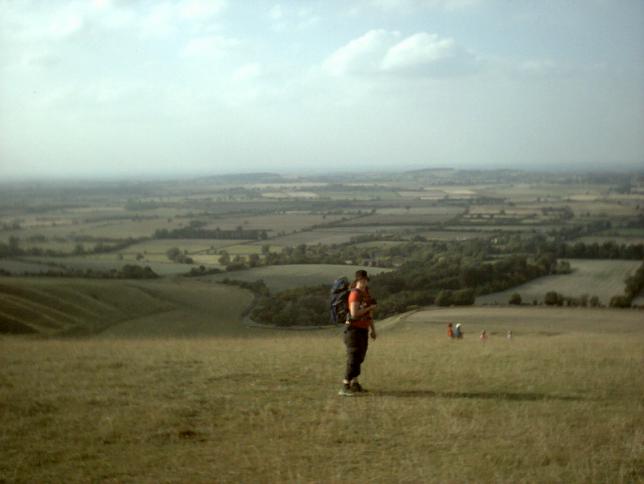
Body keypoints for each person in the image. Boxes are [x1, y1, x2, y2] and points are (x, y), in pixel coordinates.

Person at [339, 270, 377, 396]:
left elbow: (370, 315)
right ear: (356, 281)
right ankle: (345, 385)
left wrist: (373, 329)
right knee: (353, 357)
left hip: (363, 329)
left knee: (359, 357)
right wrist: (369, 308)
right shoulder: (355, 294)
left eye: (365, 280)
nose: (364, 282)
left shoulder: (366, 294)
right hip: (353, 330)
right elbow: (354, 314)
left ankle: (355, 384)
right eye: (361, 280)